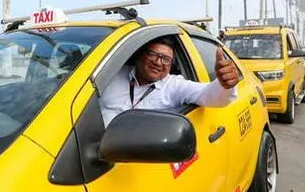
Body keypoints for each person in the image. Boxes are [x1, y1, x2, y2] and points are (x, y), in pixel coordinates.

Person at [100, 36, 240, 127]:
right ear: (139, 55)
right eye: (153, 54)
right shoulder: (110, 74)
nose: (158, 62)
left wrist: (224, 84)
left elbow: (209, 95)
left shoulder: (174, 86)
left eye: (166, 59)